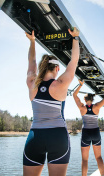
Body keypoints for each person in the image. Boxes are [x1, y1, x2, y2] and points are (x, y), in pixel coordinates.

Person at [23, 27, 80, 176]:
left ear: (42, 67)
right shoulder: (60, 84)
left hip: (35, 137)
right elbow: (74, 61)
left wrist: (32, 42)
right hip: (58, 137)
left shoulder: (32, 82)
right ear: (57, 68)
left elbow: (32, 61)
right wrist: (75, 38)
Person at [73, 80, 104, 176]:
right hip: (96, 133)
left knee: (85, 159)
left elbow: (74, 95)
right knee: (98, 157)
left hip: (86, 133)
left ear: (85, 100)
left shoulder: (82, 107)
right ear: (92, 99)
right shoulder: (97, 106)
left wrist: (80, 85)